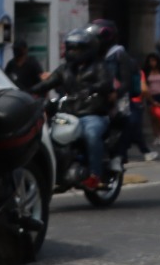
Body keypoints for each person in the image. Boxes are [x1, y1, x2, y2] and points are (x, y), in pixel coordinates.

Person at [31, 28, 118, 188]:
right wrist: (27, 91)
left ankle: (95, 175)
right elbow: (47, 83)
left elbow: (106, 83)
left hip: (92, 114)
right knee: (48, 135)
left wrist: (91, 89)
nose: (72, 52)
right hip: (68, 114)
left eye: (76, 48)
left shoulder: (99, 66)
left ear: (88, 49)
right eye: (70, 48)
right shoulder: (65, 69)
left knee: (91, 134)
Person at [89, 19, 149, 164]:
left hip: (116, 98)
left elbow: (126, 82)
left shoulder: (119, 54)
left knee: (124, 121)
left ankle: (119, 154)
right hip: (96, 96)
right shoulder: (93, 55)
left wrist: (116, 93)